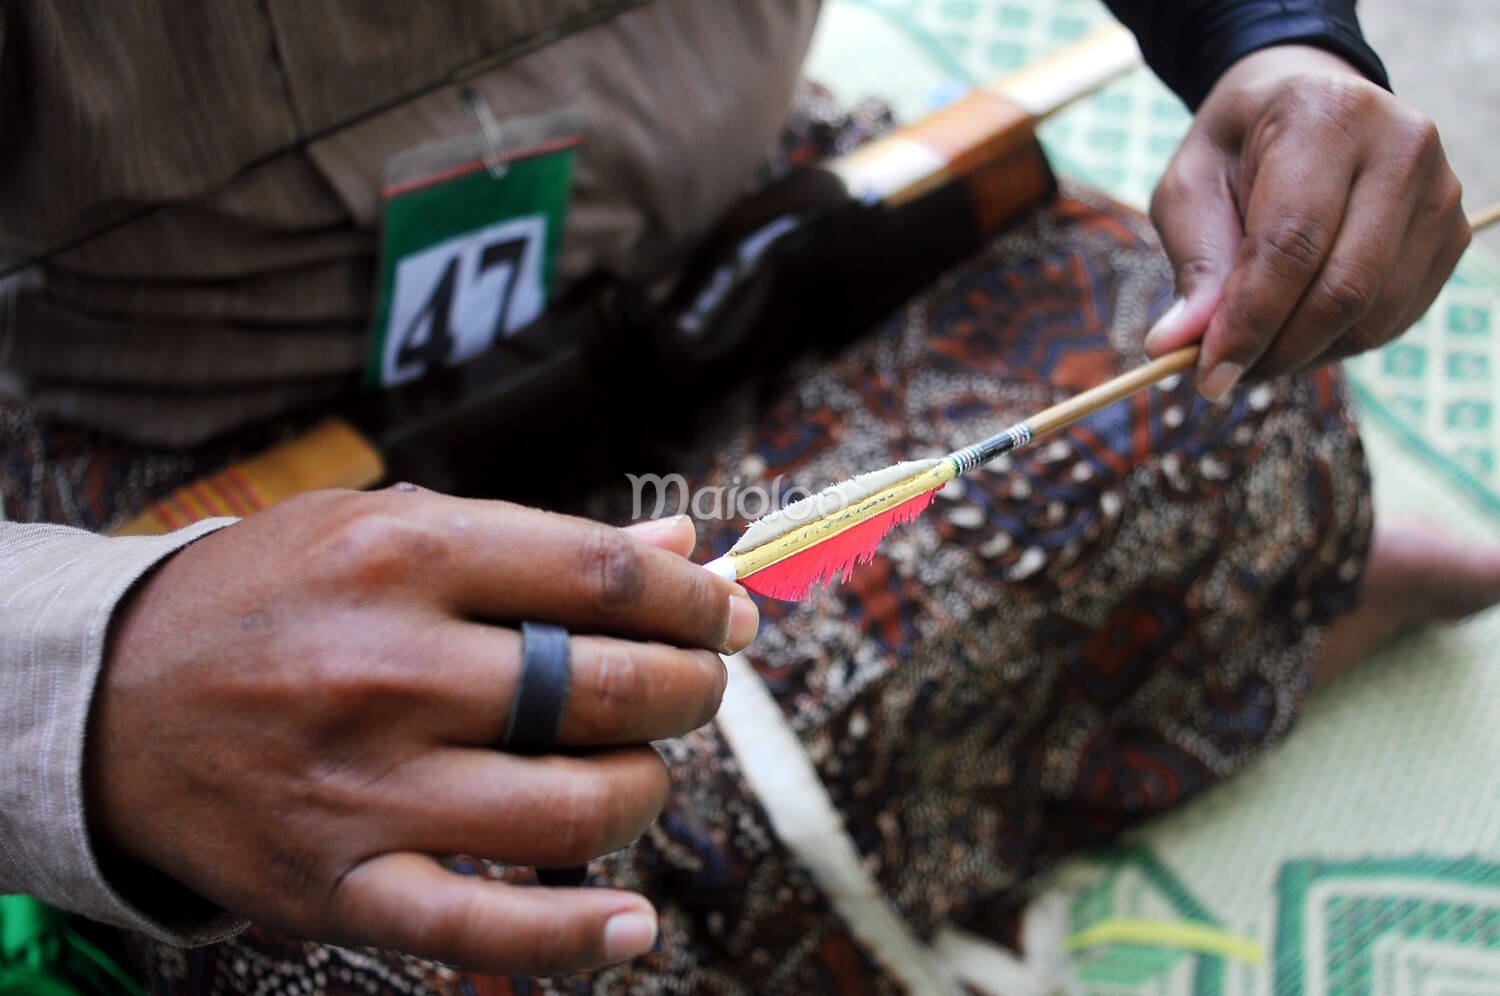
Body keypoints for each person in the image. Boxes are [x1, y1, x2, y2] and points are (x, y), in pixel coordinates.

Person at [0, 0, 1495, 992]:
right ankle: (1184, 661)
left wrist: (1271, 40)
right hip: (178, 426)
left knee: (1226, 388)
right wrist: (101, 676)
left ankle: (1238, 609)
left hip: (742, 235)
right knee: (413, 929)